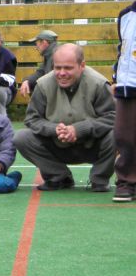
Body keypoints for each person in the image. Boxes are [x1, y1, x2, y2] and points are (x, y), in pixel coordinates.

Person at [13, 43, 116, 192]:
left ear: (82, 66)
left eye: (68, 68)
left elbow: (113, 117)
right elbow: (31, 119)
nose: (61, 73)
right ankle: (59, 177)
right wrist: (54, 129)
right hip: (56, 144)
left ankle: (99, 179)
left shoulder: (98, 84)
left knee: (117, 134)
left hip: (93, 144)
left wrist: (78, 129)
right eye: (57, 67)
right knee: (21, 138)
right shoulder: (43, 85)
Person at [112, 0, 136, 203]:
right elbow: (122, 49)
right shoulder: (125, 16)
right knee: (125, 135)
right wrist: (116, 79)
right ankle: (126, 181)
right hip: (127, 85)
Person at [17, 30, 59, 99]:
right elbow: (40, 72)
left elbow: (56, 79)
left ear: (44, 42)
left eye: (37, 43)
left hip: (59, 92)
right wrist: (27, 81)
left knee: (37, 88)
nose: (36, 47)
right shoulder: (49, 55)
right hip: (52, 90)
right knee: (32, 85)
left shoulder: (57, 56)